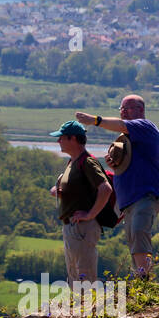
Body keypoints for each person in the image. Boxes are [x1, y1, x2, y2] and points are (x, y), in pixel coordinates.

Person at [75, 95, 159, 279]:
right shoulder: (127, 137)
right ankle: (141, 280)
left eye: (129, 107)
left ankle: (144, 281)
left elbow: (121, 125)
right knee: (134, 239)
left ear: (141, 110)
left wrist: (95, 120)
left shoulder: (144, 126)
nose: (124, 111)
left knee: (140, 233)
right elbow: (127, 162)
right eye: (122, 108)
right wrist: (114, 162)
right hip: (130, 200)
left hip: (145, 194)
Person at [48, 120, 112, 287]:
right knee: (75, 274)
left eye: (61, 137)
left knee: (84, 274)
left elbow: (105, 189)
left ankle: (88, 310)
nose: (58, 141)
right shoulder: (73, 162)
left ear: (73, 139)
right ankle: (79, 309)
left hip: (82, 227)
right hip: (72, 226)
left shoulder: (87, 162)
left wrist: (90, 214)